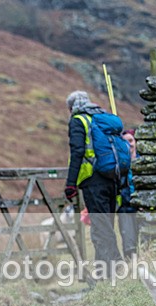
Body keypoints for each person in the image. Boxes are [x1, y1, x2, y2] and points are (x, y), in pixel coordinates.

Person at [64, 90, 123, 277]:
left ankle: (117, 266)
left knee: (101, 227)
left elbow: (77, 151)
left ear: (72, 107)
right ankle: (103, 274)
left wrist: (71, 183)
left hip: (93, 180)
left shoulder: (78, 120)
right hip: (112, 178)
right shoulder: (102, 116)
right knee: (105, 225)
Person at [118, 129, 139, 258]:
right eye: (126, 142)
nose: (129, 144)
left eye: (131, 140)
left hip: (143, 206)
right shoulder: (119, 165)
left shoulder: (144, 161)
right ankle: (130, 260)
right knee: (129, 242)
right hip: (126, 207)